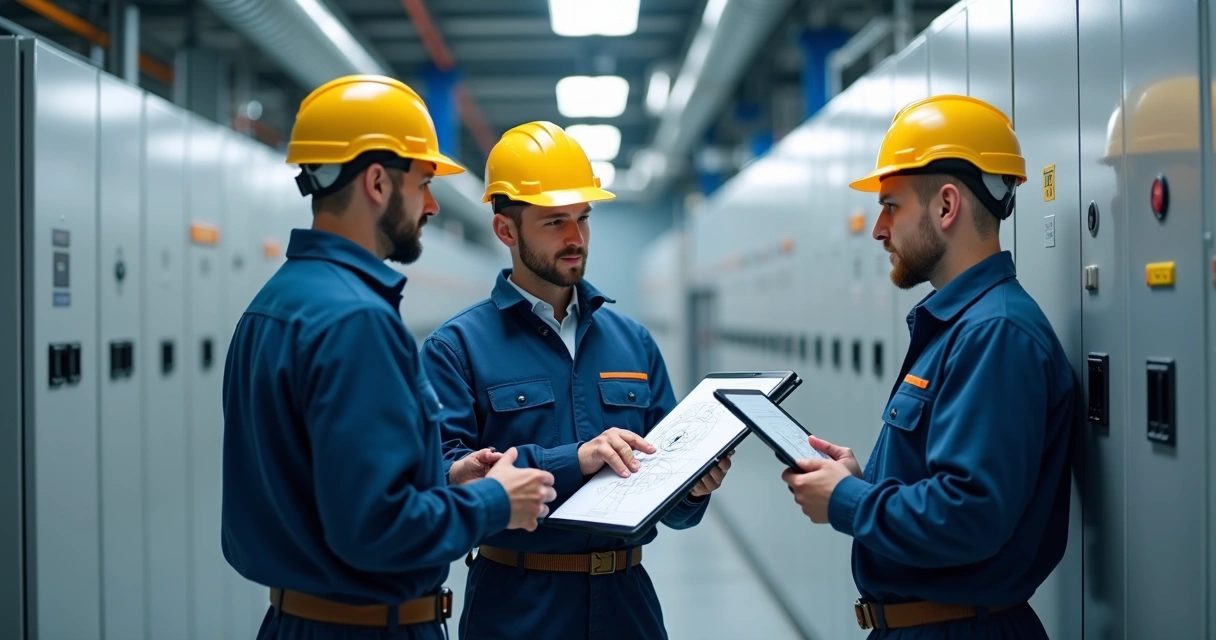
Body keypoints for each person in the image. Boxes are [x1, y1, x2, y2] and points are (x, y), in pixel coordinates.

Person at [220, 75, 557, 640]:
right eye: (423, 183)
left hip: (296, 621)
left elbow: (324, 489)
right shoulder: (357, 320)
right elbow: (375, 529)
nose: (432, 205)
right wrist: (494, 502)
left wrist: (444, 479)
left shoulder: (274, 303)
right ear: (377, 182)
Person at [418, 121, 733, 639]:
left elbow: (675, 508)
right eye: (554, 222)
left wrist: (693, 490)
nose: (575, 239)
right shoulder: (457, 348)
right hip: (517, 607)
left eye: (583, 218)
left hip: (627, 605)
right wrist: (575, 459)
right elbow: (440, 478)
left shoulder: (634, 342)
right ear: (506, 231)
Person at [780, 95, 1078, 638]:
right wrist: (863, 482)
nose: (878, 229)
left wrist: (847, 501)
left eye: (891, 206)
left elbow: (969, 515)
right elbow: (947, 485)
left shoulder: (994, 333)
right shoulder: (963, 325)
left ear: (946, 206)